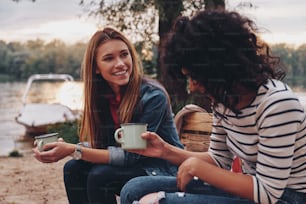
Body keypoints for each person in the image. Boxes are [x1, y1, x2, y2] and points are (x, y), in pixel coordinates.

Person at [120, 10, 306, 204]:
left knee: (161, 201)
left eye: (195, 76)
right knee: (134, 189)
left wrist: (197, 168)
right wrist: (165, 151)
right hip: (253, 190)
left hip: (289, 197)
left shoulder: (277, 104)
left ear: (222, 67)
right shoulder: (224, 101)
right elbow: (219, 159)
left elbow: (267, 193)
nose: (191, 86)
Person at [33, 27, 183, 204]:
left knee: (100, 177)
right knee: (73, 168)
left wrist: (74, 150)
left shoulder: (153, 96)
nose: (120, 63)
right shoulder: (103, 97)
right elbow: (104, 146)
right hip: (134, 167)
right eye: (109, 58)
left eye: (124, 55)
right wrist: (65, 147)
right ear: (96, 68)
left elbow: (130, 156)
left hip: (162, 170)